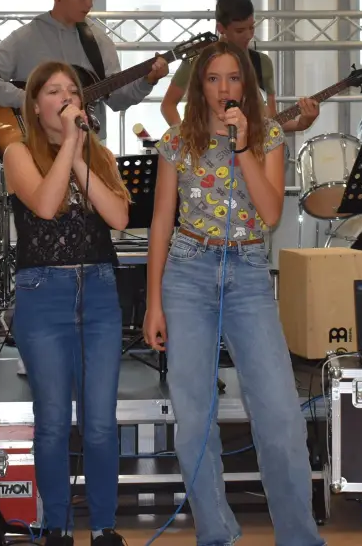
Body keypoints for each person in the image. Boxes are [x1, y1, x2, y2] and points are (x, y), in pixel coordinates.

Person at [143, 43, 322, 546]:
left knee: (281, 414)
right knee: (194, 417)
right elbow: (160, 221)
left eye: (234, 79)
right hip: (187, 272)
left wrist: (244, 148)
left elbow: (269, 215)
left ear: (248, 86)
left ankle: (300, 537)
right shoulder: (177, 141)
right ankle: (216, 534)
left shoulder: (266, 136)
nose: (225, 89)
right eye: (214, 79)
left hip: (246, 273)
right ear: (200, 87)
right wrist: (154, 301)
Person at [1, 61, 131, 546]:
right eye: (53, 91)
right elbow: (46, 205)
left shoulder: (100, 155)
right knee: (52, 421)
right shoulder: (17, 152)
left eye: (72, 90)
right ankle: (55, 525)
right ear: (36, 105)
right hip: (43, 295)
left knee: (99, 422)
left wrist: (81, 153)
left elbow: (118, 217)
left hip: (99, 292)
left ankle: (103, 527)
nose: (64, 97)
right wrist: (69, 148)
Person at [0, 0, 166, 136]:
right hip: (38, 150)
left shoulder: (99, 41)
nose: (89, 4)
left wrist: (147, 81)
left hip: (88, 151)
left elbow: (117, 100)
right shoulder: (25, 38)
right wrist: (31, 101)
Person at [161, 0, 318, 132]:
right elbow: (168, 105)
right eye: (240, 30)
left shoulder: (262, 63)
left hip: (252, 156)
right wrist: (186, 139)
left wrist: (302, 124)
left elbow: (270, 120)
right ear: (221, 28)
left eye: (252, 27)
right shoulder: (198, 60)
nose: (248, 35)